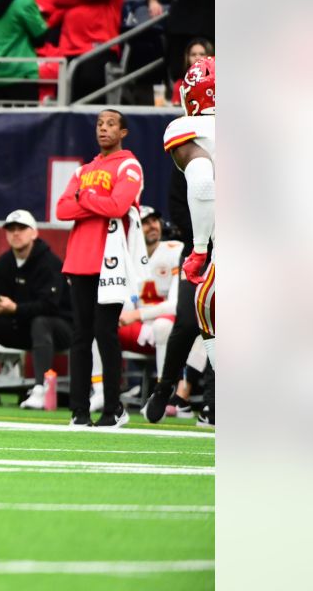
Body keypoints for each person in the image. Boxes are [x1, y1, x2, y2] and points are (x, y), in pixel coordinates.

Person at [55, 108, 144, 428]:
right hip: (79, 260)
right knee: (80, 336)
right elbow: (62, 209)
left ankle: (112, 409)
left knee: (105, 334)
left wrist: (85, 197)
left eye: (110, 124)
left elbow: (119, 206)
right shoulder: (84, 169)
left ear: (123, 133)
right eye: (100, 124)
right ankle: (78, 411)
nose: (103, 129)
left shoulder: (129, 165)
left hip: (110, 263)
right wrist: (94, 200)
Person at [150, 56, 215, 426]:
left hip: (211, 245)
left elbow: (203, 181)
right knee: (193, 322)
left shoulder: (185, 129)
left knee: (204, 319)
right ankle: (167, 388)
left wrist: (201, 248)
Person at [0, 210, 72, 410]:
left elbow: (50, 306)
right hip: (23, 327)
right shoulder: (4, 262)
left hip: (62, 329)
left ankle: (41, 389)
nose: (16, 233)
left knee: (41, 322)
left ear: (34, 233)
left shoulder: (50, 263)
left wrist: (14, 308)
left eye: (22, 229)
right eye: (11, 229)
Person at [113, 207, 182, 379]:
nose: (152, 226)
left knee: (162, 326)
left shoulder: (175, 250)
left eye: (154, 221)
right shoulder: (124, 257)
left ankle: (163, 392)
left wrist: (137, 314)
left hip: (170, 327)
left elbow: (176, 304)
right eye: (145, 223)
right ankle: (103, 389)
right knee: (100, 327)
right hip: (139, 327)